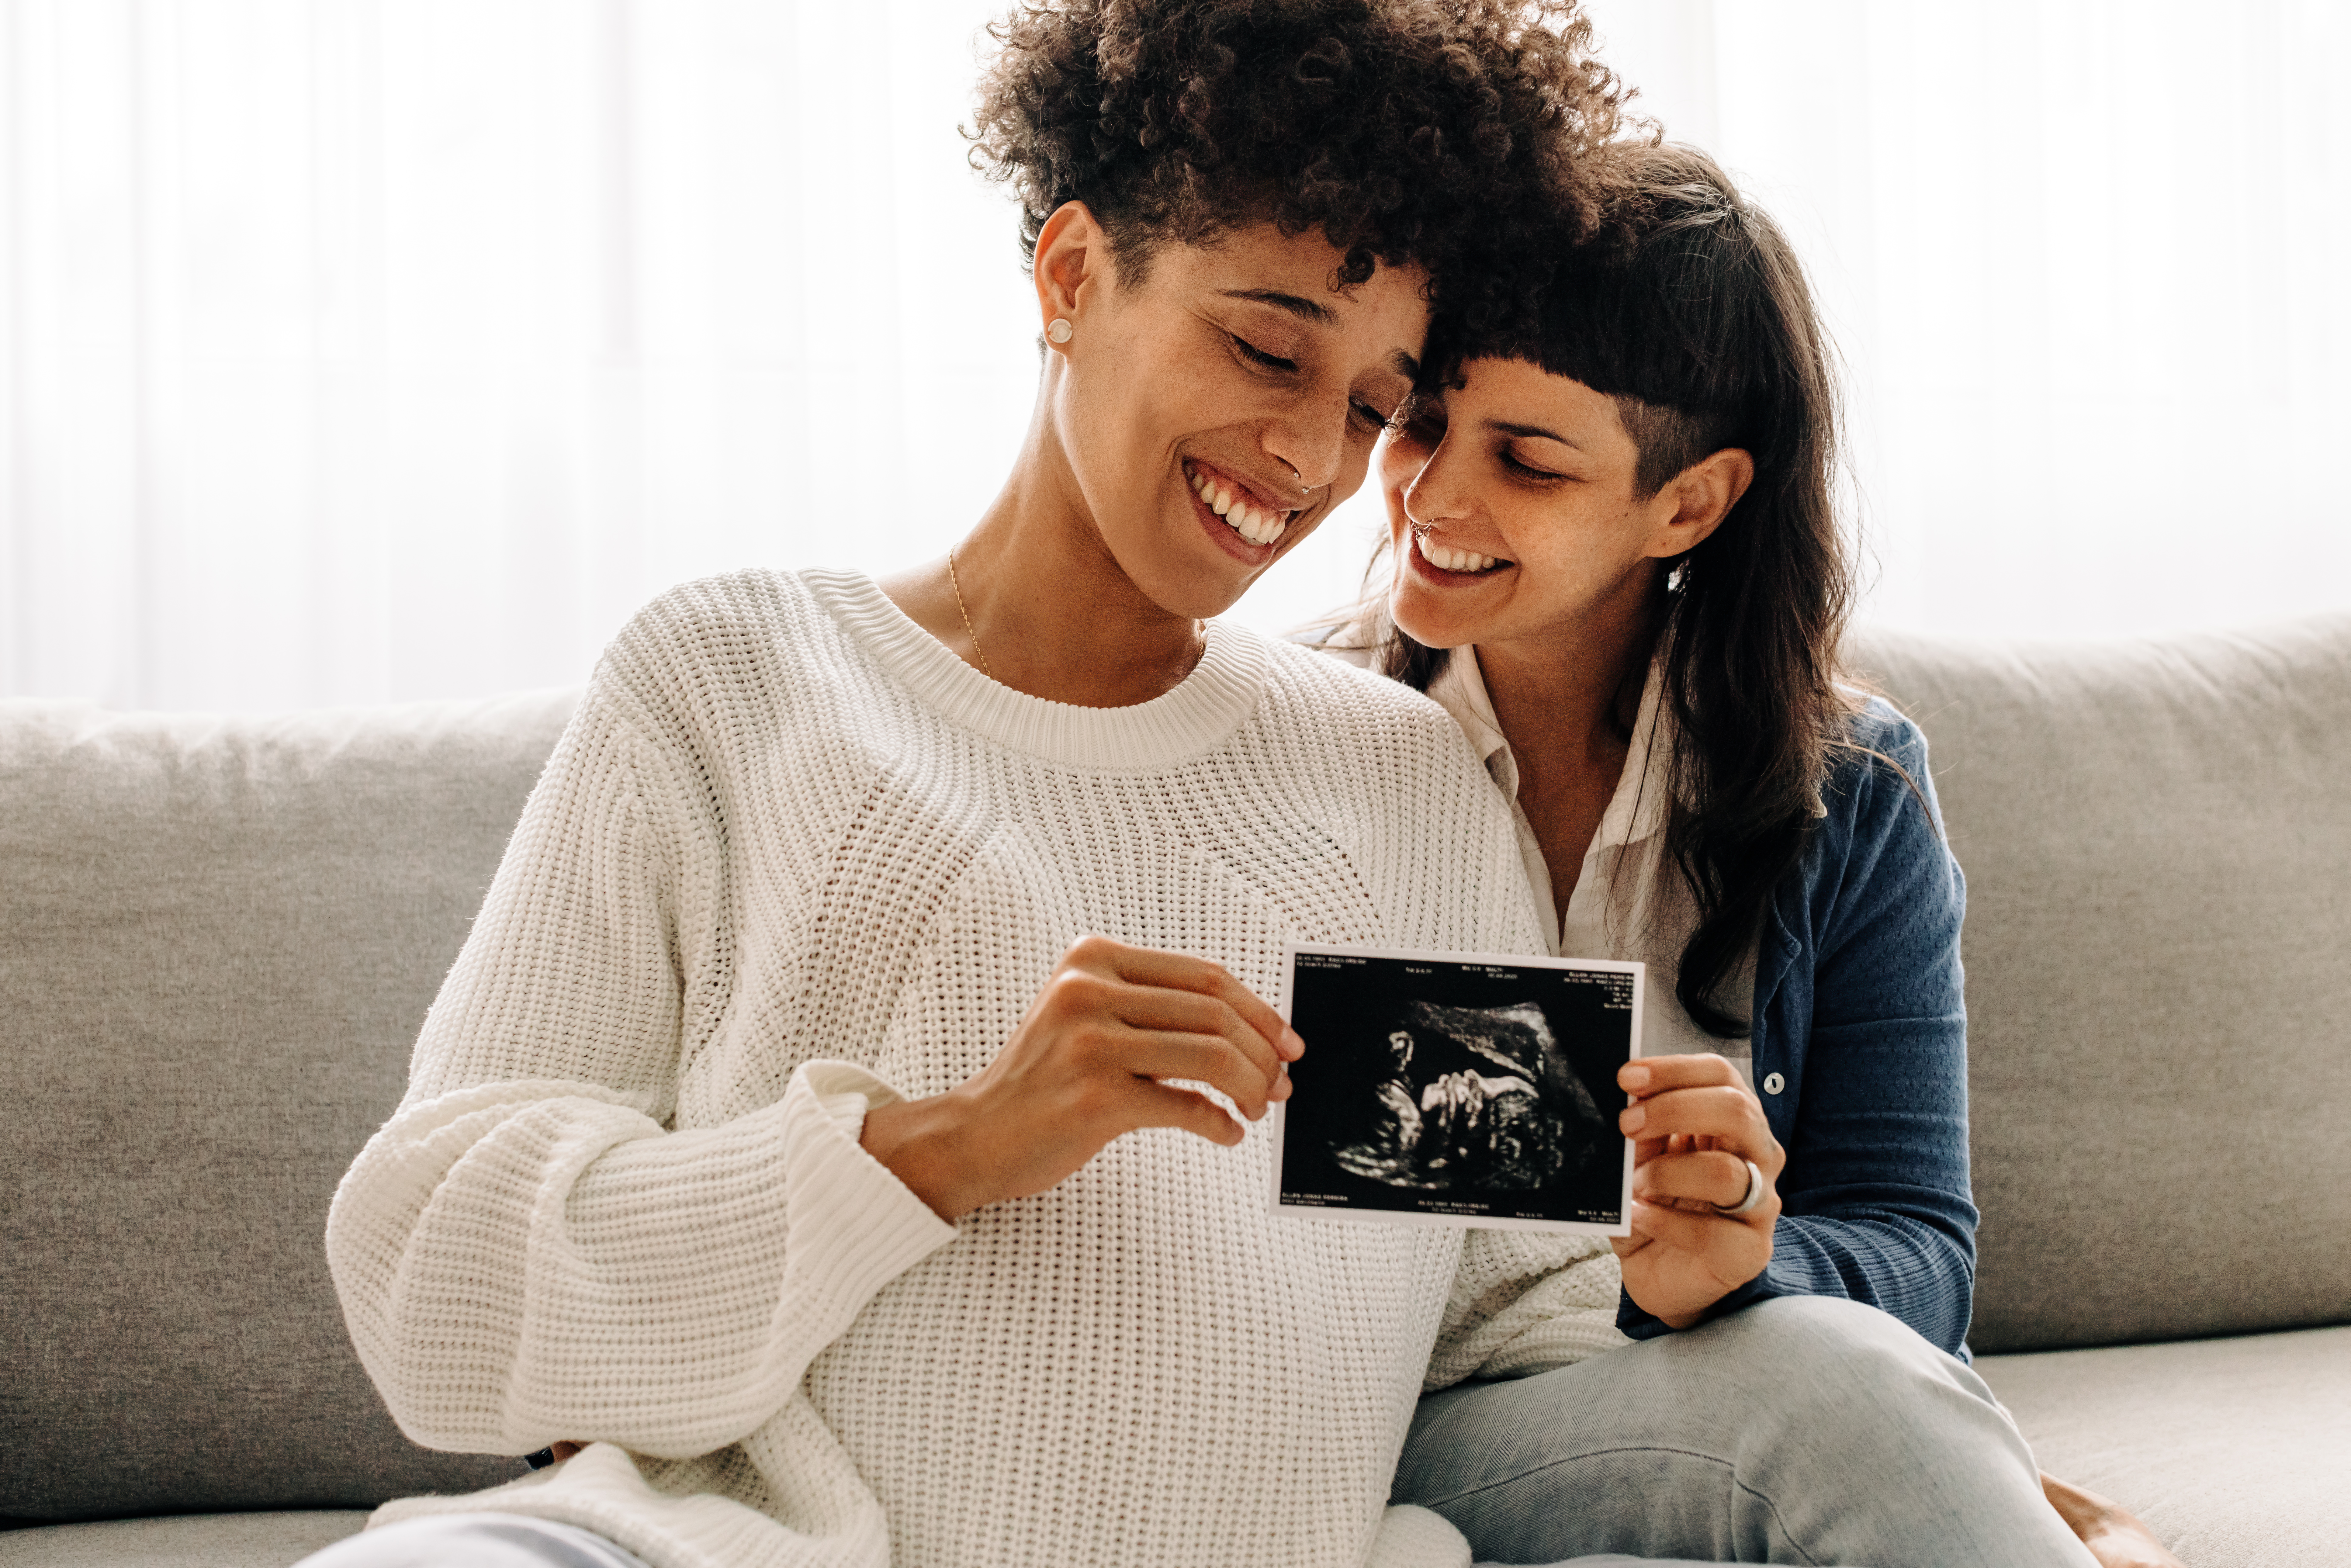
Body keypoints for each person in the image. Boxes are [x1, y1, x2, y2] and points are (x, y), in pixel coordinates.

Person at [309, 6, 1639, 1568]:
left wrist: (1682, 1268)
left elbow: (1510, 1322)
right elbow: (429, 1286)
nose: (1305, 454)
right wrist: (939, 1152)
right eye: (1266, 348)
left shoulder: (1402, 783)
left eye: (1367, 407)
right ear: (1071, 278)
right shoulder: (738, 681)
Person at [1324, 141, 2183, 1568]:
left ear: (1691, 503)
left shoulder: (1852, 792)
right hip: (1382, 1422)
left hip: (1700, 1395)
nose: (1429, 497)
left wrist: (1739, 1264)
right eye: (1416, 423)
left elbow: (1920, 1249)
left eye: (1526, 460)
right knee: (1861, 1412)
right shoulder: (1295, 743)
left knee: (1852, 1406)